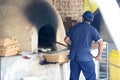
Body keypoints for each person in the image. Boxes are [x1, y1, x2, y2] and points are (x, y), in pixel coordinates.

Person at [64, 11, 104, 80]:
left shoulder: (74, 28)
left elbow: (66, 39)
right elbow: (101, 43)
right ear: (92, 20)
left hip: (74, 58)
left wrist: (71, 46)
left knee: (73, 78)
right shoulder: (93, 30)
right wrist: (99, 56)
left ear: (83, 18)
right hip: (86, 58)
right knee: (91, 78)